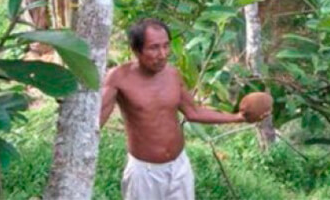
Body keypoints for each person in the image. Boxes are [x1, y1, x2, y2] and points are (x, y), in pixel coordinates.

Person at [100, 18, 263, 200]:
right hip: (144, 172)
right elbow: (94, 122)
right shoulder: (118, 78)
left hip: (179, 167)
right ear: (136, 50)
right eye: (154, 48)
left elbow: (193, 112)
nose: (163, 54)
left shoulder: (172, 74)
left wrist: (238, 118)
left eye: (166, 46)